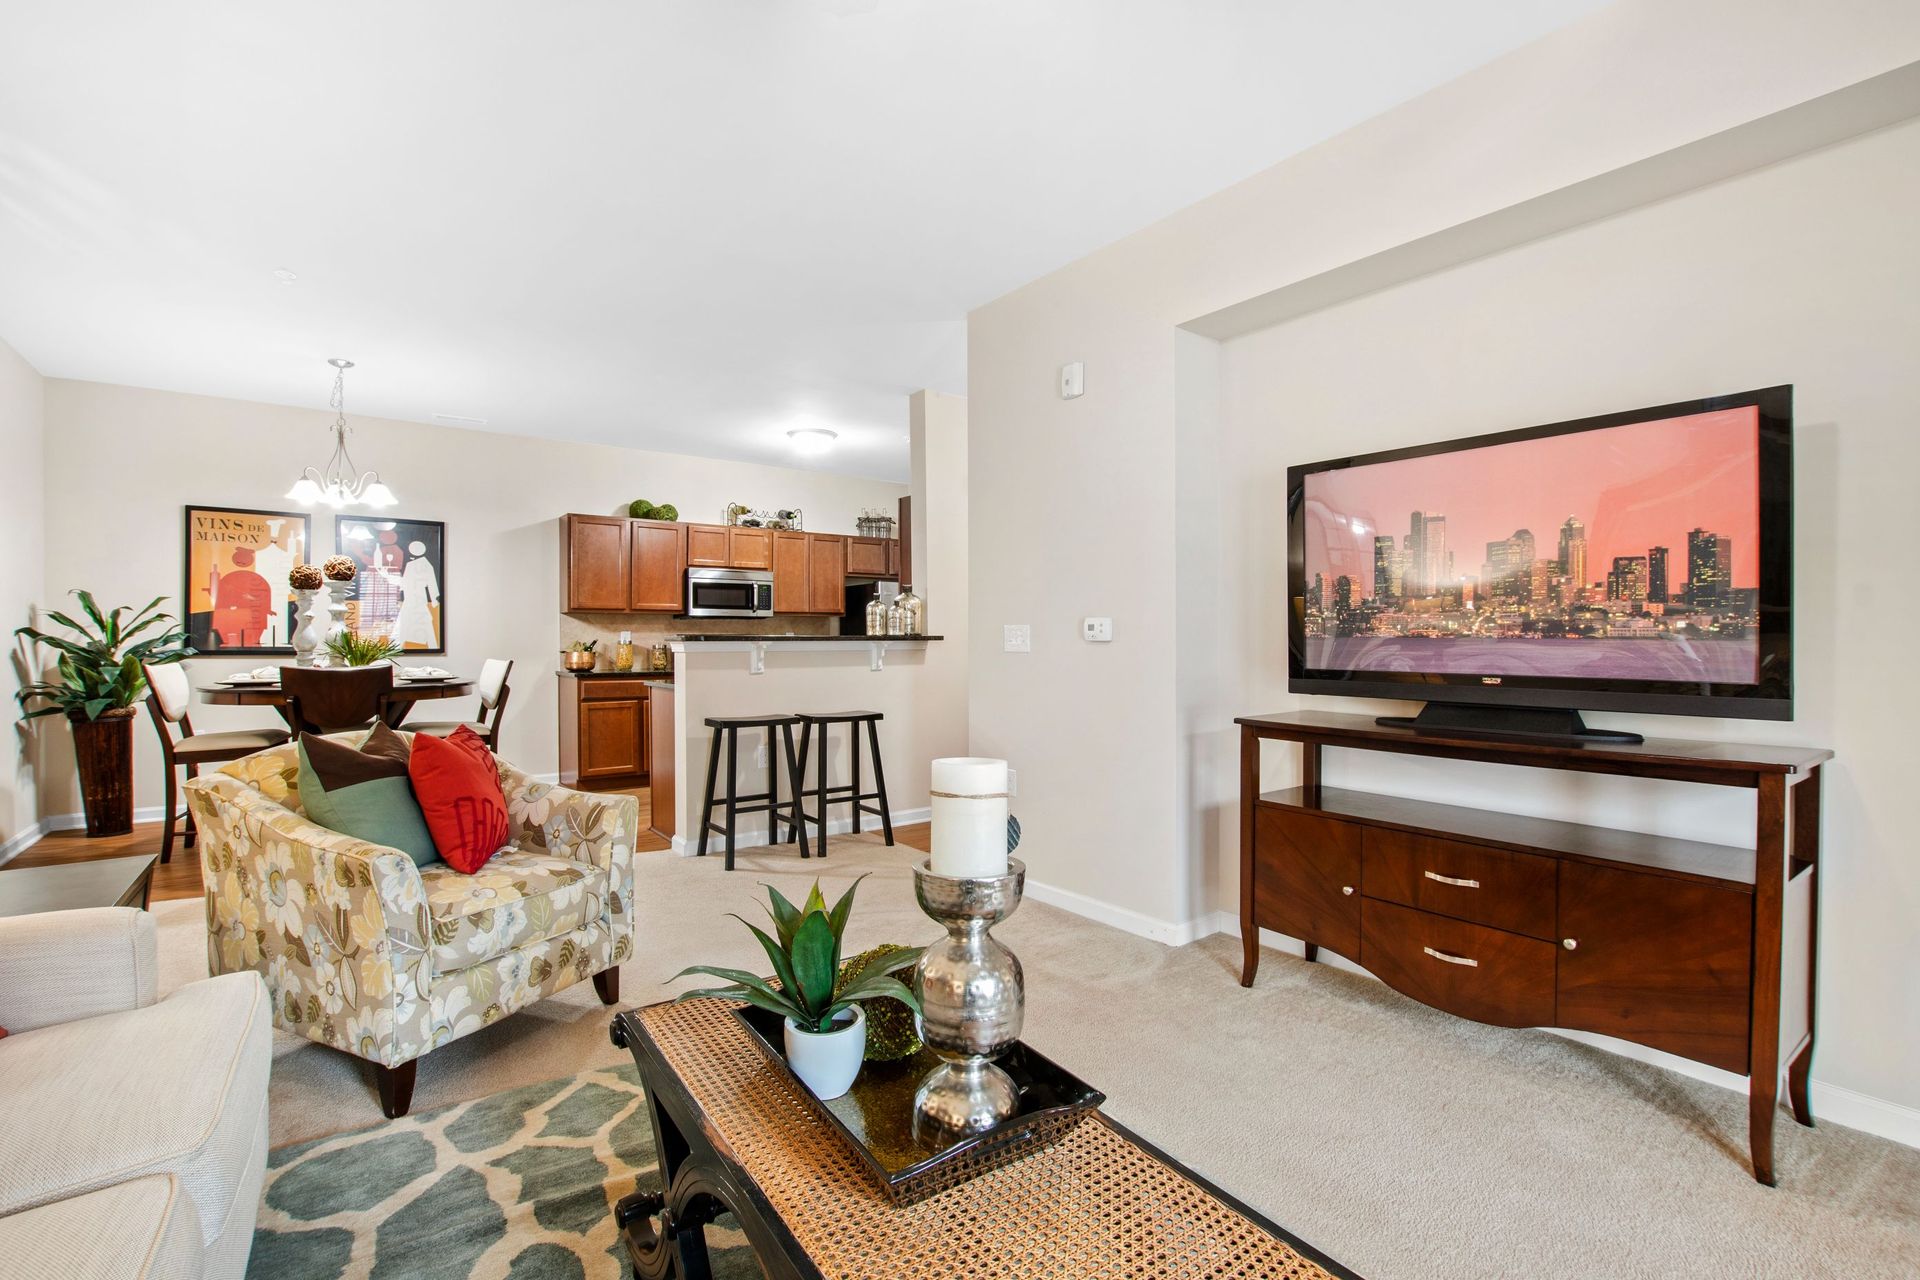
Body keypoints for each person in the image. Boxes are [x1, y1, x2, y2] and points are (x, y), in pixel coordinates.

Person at [211, 547, 272, 648]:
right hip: (235, 615)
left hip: (249, 617)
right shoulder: (230, 578)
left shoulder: (256, 579)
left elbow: (262, 598)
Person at [392, 540, 440, 649]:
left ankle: (396, 647)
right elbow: (407, 582)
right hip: (414, 598)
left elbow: (430, 582)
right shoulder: (420, 564)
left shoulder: (420, 565)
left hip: (416, 598)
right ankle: (396, 647)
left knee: (416, 621)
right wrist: (433, 600)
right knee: (410, 622)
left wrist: (434, 599)